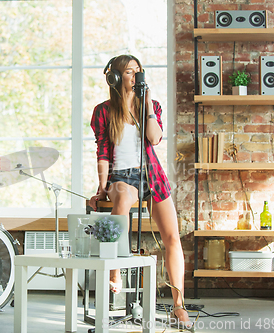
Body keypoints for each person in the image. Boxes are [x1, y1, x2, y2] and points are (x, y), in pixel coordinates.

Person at [89, 54, 191, 326]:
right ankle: (115, 270)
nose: (135, 77)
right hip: (121, 176)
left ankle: (179, 305)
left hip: (152, 174)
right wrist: (101, 187)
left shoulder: (151, 105)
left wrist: (145, 105)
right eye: (128, 72)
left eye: (138, 72)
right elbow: (102, 151)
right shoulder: (104, 111)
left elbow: (155, 138)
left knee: (172, 236)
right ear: (114, 77)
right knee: (121, 200)